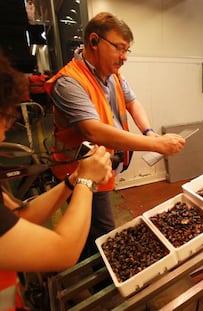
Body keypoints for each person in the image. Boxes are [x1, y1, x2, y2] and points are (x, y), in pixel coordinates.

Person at [45, 12, 186, 260]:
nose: (124, 57)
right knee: (103, 232)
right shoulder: (69, 82)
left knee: (90, 227)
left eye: (127, 50)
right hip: (79, 171)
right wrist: (155, 145)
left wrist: (150, 133)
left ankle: (92, 261)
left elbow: (133, 103)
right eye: (119, 48)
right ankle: (102, 282)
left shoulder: (112, 75)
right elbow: (93, 130)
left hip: (102, 167)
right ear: (94, 41)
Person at [0, 52, 113, 310]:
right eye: (4, 120)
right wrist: (86, 181)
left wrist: (73, 181)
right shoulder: (69, 80)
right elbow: (64, 252)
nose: (6, 131)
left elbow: (20, 216)